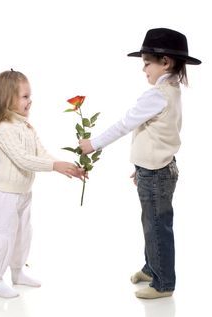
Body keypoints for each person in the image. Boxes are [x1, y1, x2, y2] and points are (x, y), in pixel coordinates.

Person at [79, 28, 201, 299]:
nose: (143, 69)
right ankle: (152, 267)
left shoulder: (156, 96)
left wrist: (93, 143)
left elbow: (125, 125)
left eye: (147, 63)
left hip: (157, 172)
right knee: (151, 222)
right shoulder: (170, 90)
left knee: (157, 224)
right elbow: (158, 135)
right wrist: (141, 166)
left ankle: (164, 283)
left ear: (165, 62)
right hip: (157, 168)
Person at [0, 70, 84, 298]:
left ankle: (17, 272)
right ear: (8, 99)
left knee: (22, 234)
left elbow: (41, 153)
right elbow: (22, 159)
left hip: (23, 193)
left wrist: (63, 166)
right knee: (3, 235)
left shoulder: (26, 126)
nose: (30, 101)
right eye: (25, 96)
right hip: (5, 195)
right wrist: (55, 167)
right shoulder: (3, 129)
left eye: (30, 96)